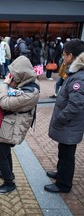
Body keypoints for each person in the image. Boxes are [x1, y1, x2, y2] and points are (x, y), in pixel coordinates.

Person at [0, 55, 40, 195]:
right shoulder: (27, 82)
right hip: (11, 123)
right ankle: (8, 173)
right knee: (5, 151)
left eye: (15, 74)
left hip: (14, 126)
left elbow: (5, 102)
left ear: (23, 74)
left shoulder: (30, 92)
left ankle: (9, 183)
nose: (11, 77)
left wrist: (4, 85)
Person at [44, 39, 84, 193]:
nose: (62, 57)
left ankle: (64, 184)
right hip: (68, 126)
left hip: (69, 125)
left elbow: (75, 105)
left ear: (71, 56)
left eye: (64, 54)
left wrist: (60, 119)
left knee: (67, 156)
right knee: (63, 152)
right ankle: (60, 174)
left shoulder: (78, 78)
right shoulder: (75, 73)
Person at [0, 79, 23, 149]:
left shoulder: (11, 88)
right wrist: (19, 92)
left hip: (5, 109)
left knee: (7, 124)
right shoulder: (6, 88)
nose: (15, 84)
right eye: (14, 82)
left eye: (17, 83)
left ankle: (10, 141)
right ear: (10, 82)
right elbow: (10, 92)